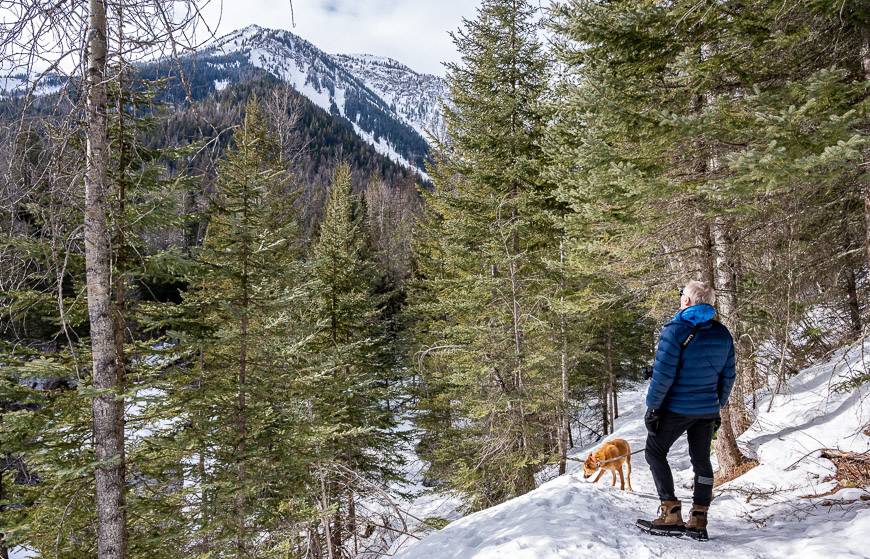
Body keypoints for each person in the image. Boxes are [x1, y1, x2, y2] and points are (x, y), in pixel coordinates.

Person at [636, 280, 736, 540]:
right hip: (706, 410)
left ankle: (670, 512)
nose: (680, 299)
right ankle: (699, 519)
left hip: (676, 408)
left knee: (654, 451)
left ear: (688, 301)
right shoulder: (722, 333)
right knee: (701, 461)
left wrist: (653, 407)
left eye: (682, 296)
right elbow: (728, 376)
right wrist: (717, 405)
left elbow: (664, 376)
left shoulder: (676, 330)